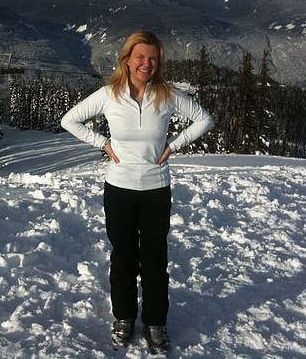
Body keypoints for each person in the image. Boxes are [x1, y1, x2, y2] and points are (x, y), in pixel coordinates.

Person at [61, 30, 214, 354]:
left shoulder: (167, 95)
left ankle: (156, 323)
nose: (146, 64)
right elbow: (70, 120)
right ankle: (124, 318)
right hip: (119, 190)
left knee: (154, 260)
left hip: (157, 189)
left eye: (153, 59)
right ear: (127, 59)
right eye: (140, 57)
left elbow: (203, 119)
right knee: (124, 258)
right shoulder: (108, 95)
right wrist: (101, 144)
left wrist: (174, 145)